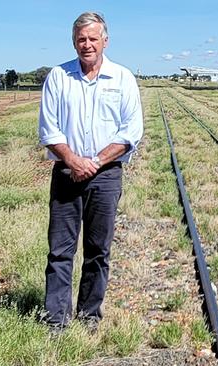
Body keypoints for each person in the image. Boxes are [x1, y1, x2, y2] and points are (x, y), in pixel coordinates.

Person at [37, 11, 143, 332]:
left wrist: (93, 162)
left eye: (93, 38)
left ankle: (88, 317)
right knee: (60, 251)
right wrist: (73, 160)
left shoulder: (123, 78)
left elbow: (130, 132)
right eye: (81, 39)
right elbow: (49, 129)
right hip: (67, 173)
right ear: (74, 42)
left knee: (98, 250)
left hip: (106, 176)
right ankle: (56, 320)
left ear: (105, 41)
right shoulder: (58, 77)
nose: (87, 45)